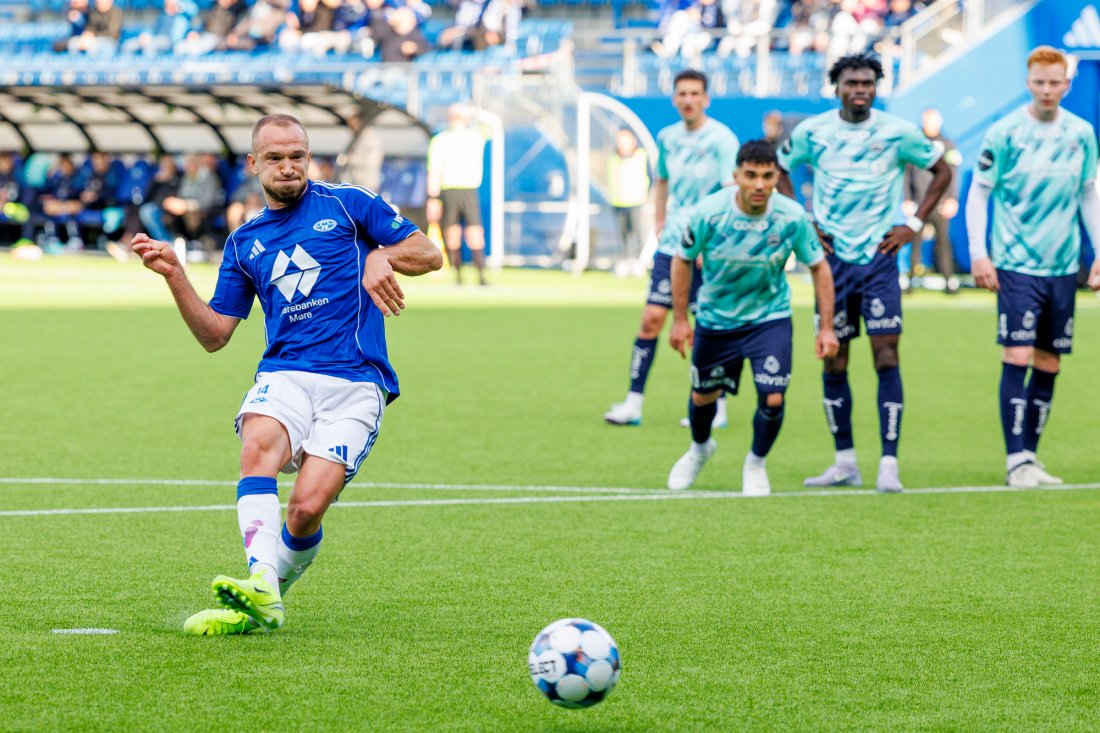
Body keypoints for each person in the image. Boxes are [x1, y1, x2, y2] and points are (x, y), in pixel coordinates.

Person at [131, 114, 442, 636]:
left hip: (356, 381)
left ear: (309, 158)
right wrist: (176, 277)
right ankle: (261, 581)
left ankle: (266, 600)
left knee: (304, 510)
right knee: (258, 445)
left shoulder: (348, 204)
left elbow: (429, 253)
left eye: (297, 155)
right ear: (254, 165)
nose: (288, 166)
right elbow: (214, 334)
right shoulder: (244, 242)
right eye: (274, 157)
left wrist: (381, 257)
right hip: (286, 374)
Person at [777, 52, 952, 492]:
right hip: (830, 265)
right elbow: (780, 170)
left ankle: (888, 464)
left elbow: (941, 170)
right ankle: (845, 461)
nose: (860, 90)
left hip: (878, 260)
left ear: (876, 87)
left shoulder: (897, 132)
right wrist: (805, 222)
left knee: (886, 356)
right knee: (834, 356)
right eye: (852, 82)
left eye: (868, 83)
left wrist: (913, 224)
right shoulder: (813, 132)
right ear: (836, 87)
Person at [667, 140, 839, 493]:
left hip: (768, 319)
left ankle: (756, 464)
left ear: (777, 176)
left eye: (767, 176)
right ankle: (700, 450)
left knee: (773, 398)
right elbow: (682, 259)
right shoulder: (709, 212)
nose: (759, 184)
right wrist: (681, 319)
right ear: (736, 176)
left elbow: (820, 268)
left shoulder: (791, 217)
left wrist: (826, 327)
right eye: (751, 175)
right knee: (703, 397)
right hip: (716, 320)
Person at [965, 46, 1100, 488]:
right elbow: (980, 193)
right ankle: (1015, 459)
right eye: (1039, 82)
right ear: (1028, 82)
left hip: (1063, 266)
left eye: (1054, 82)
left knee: (1049, 363)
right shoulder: (1004, 133)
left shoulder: (1081, 133)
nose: (1046, 90)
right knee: (1017, 355)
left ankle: (1031, 458)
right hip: (1016, 265)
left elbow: (1088, 195)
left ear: (1067, 84)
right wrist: (979, 253)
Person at [604, 69, 739, 427]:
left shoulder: (723, 139)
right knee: (651, 319)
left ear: (706, 99)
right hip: (673, 244)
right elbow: (662, 180)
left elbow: (729, 194)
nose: (689, 100)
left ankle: (717, 407)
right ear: (675, 98)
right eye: (682, 93)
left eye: (695, 93)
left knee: (708, 325)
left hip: (709, 248)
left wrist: (712, 244)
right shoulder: (667, 137)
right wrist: (660, 219)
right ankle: (633, 402)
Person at [426, 104, 489, 285]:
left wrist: (475, 110)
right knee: (452, 233)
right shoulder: (440, 140)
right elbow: (434, 171)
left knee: (475, 232)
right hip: (448, 190)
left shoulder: (475, 136)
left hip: (469, 189)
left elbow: (494, 123)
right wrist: (433, 198)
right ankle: (458, 275)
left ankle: (481, 276)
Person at [904, 107, 961, 293]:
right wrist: (907, 199)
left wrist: (952, 199)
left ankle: (949, 282)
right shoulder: (915, 143)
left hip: (940, 203)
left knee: (943, 242)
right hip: (919, 203)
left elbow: (953, 172)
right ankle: (911, 282)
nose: (930, 125)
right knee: (915, 242)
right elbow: (907, 173)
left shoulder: (947, 144)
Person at [607, 128, 650, 276]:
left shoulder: (641, 156)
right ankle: (624, 261)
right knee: (622, 234)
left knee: (636, 232)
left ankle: (637, 262)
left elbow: (651, 177)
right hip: (618, 202)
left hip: (635, 200)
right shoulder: (613, 158)